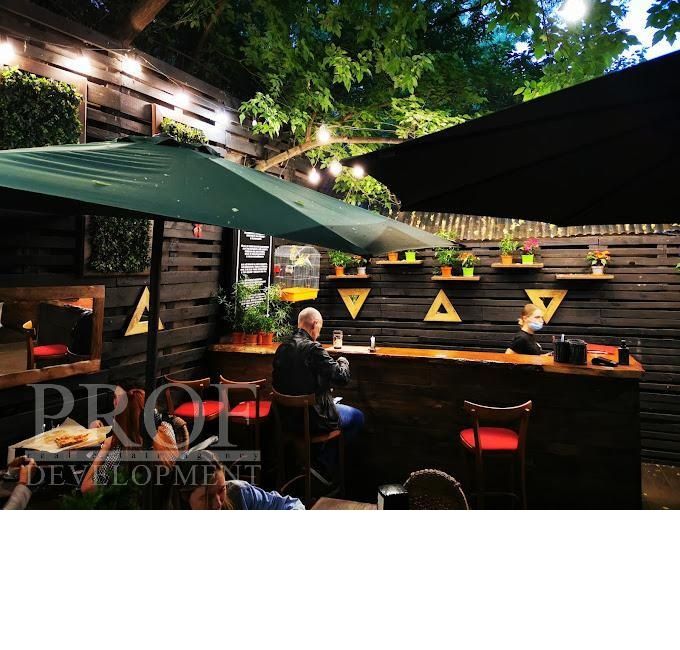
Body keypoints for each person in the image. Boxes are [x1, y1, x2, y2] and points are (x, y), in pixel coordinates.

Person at [272, 307, 364, 473]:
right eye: (320, 328)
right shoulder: (314, 349)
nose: (319, 334)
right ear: (314, 324)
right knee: (357, 417)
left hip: (287, 420)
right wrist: (343, 361)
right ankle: (324, 465)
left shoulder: (282, 348)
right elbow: (341, 377)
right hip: (313, 422)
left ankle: (310, 464)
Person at [81, 386, 189, 493]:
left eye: (115, 399)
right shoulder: (167, 429)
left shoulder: (120, 453)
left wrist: (105, 448)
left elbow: (86, 488)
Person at [170, 450, 304, 510]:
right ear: (185, 497)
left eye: (221, 490)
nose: (217, 503)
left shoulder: (239, 493)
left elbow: (290, 505)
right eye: (207, 497)